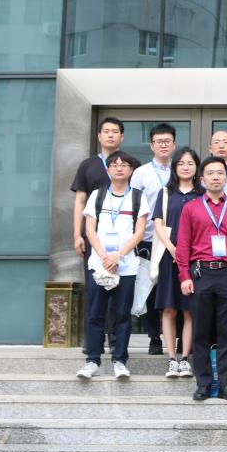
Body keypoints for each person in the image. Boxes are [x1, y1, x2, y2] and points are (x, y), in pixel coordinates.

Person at [176, 157, 227, 401]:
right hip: (201, 273)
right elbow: (183, 244)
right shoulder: (192, 208)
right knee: (201, 331)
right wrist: (184, 275)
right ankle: (204, 385)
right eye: (210, 173)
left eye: (220, 172)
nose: (216, 177)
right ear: (202, 179)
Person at [77, 150, 148, 380]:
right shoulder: (97, 196)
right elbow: (89, 229)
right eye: (115, 165)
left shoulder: (138, 197)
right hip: (99, 264)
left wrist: (118, 256)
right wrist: (104, 256)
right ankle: (92, 361)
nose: (119, 168)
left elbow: (139, 232)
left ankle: (120, 360)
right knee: (95, 314)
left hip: (126, 265)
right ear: (107, 170)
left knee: (122, 315)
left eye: (124, 164)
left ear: (130, 170)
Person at [70, 117, 133, 352]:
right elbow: (80, 201)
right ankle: (93, 341)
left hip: (124, 241)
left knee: (120, 291)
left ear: (122, 137)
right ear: (98, 136)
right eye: (106, 131)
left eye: (115, 131)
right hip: (95, 238)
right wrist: (77, 234)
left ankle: (116, 339)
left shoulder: (130, 163)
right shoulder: (88, 165)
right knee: (95, 289)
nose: (110, 135)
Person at [152, 147, 203, 379]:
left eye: (190, 163)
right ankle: (171, 359)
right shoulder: (166, 193)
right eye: (181, 163)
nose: (185, 167)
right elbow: (158, 223)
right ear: (174, 167)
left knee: (189, 309)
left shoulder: (202, 194)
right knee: (169, 308)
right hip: (168, 256)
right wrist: (173, 248)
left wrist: (189, 252)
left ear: (196, 167)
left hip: (195, 258)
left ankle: (185, 359)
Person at [129, 123, 176, 354]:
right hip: (147, 238)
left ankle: (175, 336)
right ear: (151, 145)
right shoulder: (141, 173)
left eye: (167, 141)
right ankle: (153, 337)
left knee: (172, 287)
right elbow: (133, 205)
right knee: (149, 288)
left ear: (174, 144)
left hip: (174, 239)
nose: (163, 145)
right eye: (159, 141)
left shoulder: (181, 168)